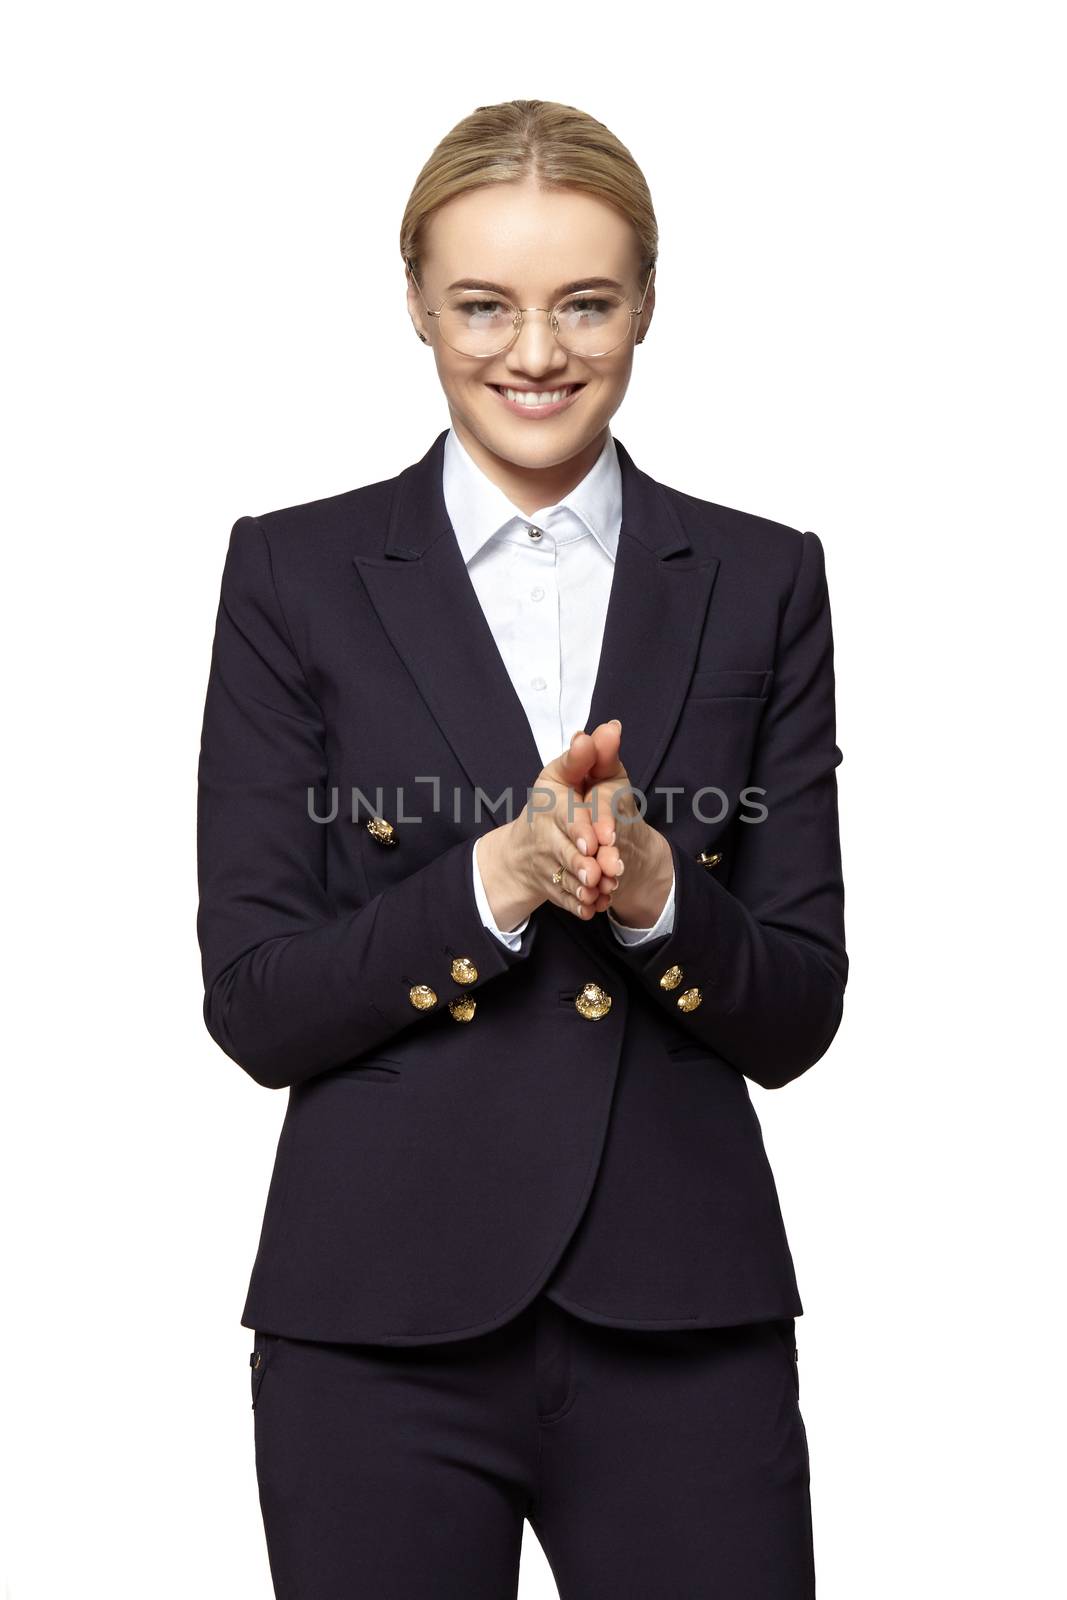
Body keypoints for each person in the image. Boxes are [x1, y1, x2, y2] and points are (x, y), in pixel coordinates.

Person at [196, 97, 848, 1600]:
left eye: (585, 303)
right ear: (418, 302)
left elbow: (800, 1009)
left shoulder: (764, 577)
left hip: (687, 1313)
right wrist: (488, 886)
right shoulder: (293, 573)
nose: (535, 353)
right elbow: (257, 1000)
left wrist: (665, 890)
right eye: (484, 303)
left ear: (647, 305)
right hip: (375, 1329)